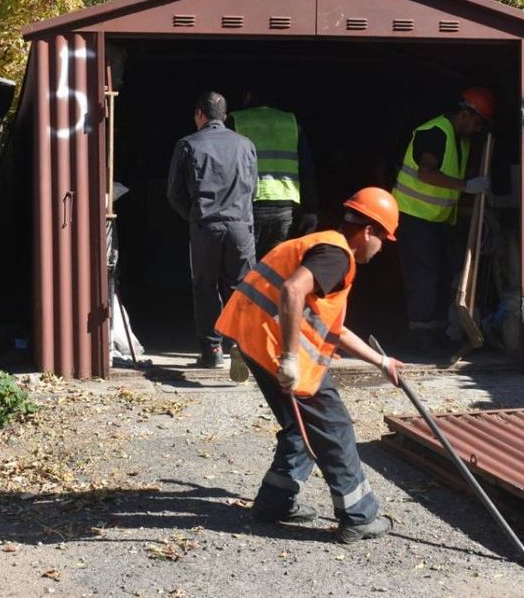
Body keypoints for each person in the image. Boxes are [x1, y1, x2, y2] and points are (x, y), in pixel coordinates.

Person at [215, 187, 402, 544]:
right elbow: (291, 291)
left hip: (255, 341)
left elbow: (336, 329)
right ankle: (359, 515)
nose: (381, 250)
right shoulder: (337, 255)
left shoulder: (324, 247)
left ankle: (275, 502)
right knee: (334, 427)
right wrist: (288, 358)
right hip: (276, 351)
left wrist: (381, 361)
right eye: (383, 239)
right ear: (369, 232)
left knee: (300, 429)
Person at [392, 86, 494, 354]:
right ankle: (419, 336)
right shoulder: (434, 132)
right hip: (412, 216)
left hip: (437, 220)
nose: (477, 129)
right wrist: (466, 185)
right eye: (477, 122)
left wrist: (474, 181)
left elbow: (455, 171)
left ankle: (434, 331)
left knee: (438, 274)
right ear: (464, 114)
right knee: (423, 276)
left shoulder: (460, 140)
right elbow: (426, 173)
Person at [167, 90, 258, 368]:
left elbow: (174, 193)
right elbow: (253, 188)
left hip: (206, 226)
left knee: (205, 286)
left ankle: (213, 350)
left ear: (199, 115)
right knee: (240, 287)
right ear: (225, 117)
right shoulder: (246, 145)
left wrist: (193, 216)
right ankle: (243, 345)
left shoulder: (187, 144)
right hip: (240, 226)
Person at [228, 91, 318, 260]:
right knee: (275, 267)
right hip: (286, 207)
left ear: (247, 97)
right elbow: (306, 167)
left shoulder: (236, 121)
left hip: (248, 205)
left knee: (244, 269)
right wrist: (311, 208)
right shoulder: (291, 122)